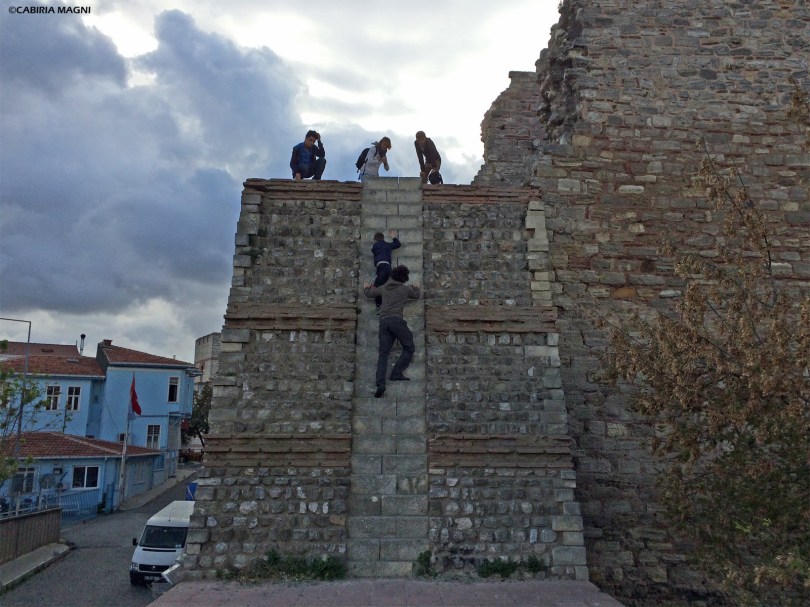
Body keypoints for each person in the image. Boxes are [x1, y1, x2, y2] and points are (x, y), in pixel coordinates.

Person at [363, 265, 420, 398]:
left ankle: (380, 384)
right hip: (396, 321)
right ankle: (396, 373)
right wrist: (417, 287)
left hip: (384, 322)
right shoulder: (405, 289)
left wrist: (366, 287)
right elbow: (416, 296)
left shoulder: (383, 288)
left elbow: (370, 294)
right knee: (409, 347)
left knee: (383, 353)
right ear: (404, 278)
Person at [371, 229, 401, 311]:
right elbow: (398, 244)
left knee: (377, 287)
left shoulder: (375, 246)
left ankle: (379, 306)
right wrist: (394, 237)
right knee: (390, 285)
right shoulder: (388, 245)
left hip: (381, 267)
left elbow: (373, 251)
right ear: (383, 238)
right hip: (388, 267)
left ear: (375, 239)